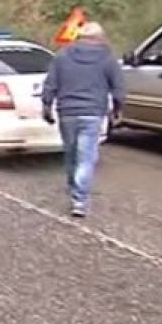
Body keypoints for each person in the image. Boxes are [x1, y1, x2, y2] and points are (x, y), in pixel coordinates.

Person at [41, 22, 125, 218]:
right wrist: (118, 109)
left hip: (67, 112)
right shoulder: (108, 58)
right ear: (100, 37)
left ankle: (74, 190)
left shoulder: (62, 56)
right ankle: (79, 200)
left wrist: (47, 106)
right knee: (86, 158)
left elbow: (51, 83)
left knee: (71, 154)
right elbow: (118, 88)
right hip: (93, 112)